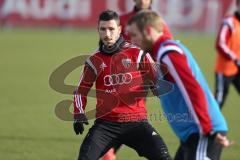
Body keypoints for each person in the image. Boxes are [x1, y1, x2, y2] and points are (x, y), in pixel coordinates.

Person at [127, 11, 232, 160]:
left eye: (134, 35)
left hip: (202, 132)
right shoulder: (161, 53)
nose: (132, 40)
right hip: (192, 135)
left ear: (148, 31)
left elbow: (193, 90)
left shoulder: (168, 53)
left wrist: (208, 130)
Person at [73, 10, 172, 160]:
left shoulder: (137, 53)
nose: (107, 34)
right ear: (98, 30)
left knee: (164, 158)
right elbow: (81, 90)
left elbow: (158, 82)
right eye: (103, 29)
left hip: (137, 123)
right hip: (106, 125)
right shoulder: (93, 61)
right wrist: (78, 113)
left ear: (119, 30)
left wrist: (160, 90)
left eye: (111, 29)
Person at [214, 0, 240, 109]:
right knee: (219, 101)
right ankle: (207, 124)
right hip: (224, 70)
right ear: (237, 5)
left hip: (237, 68)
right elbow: (220, 44)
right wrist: (235, 58)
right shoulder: (229, 22)